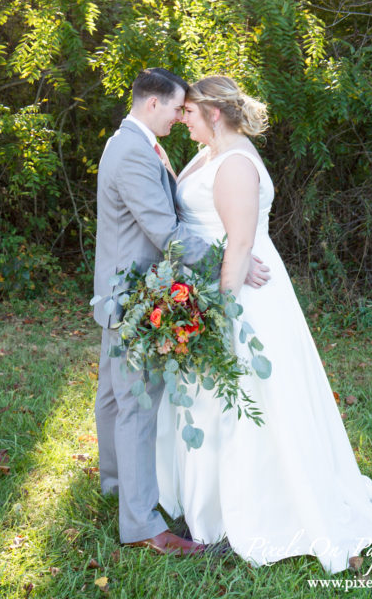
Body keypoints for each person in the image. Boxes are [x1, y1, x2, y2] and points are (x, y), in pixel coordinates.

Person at [156, 75, 372, 573]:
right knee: (213, 397)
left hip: (242, 298)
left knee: (247, 397)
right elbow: (192, 210)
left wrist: (219, 318)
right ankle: (203, 497)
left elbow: (240, 245)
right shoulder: (209, 155)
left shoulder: (236, 165)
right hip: (211, 282)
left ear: (213, 114)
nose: (182, 120)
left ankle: (255, 506)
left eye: (189, 113)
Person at [93, 68, 269, 557]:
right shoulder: (133, 150)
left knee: (112, 397)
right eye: (176, 107)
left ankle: (117, 487)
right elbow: (165, 232)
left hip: (120, 291)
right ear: (154, 104)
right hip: (133, 295)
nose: (180, 114)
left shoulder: (131, 142)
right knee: (135, 406)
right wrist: (230, 256)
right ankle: (142, 524)